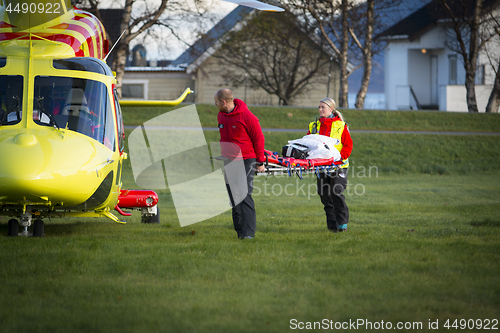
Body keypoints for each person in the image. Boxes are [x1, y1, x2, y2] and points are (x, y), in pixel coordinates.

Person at [214, 89, 266, 239]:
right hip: (229, 160)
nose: (215, 104)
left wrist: (260, 161)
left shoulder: (248, 117)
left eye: (216, 102)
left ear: (223, 102)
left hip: (246, 159)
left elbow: (258, 139)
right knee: (233, 197)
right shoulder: (221, 115)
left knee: (244, 195)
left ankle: (249, 233)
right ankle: (240, 233)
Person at [308, 97, 353, 232]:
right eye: (319, 107)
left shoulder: (341, 125)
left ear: (331, 109)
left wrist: (340, 159)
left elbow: (348, 145)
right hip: (321, 166)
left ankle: (342, 223)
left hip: (338, 165)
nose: (320, 109)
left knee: (336, 192)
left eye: (323, 107)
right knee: (324, 193)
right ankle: (332, 225)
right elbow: (307, 144)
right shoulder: (314, 126)